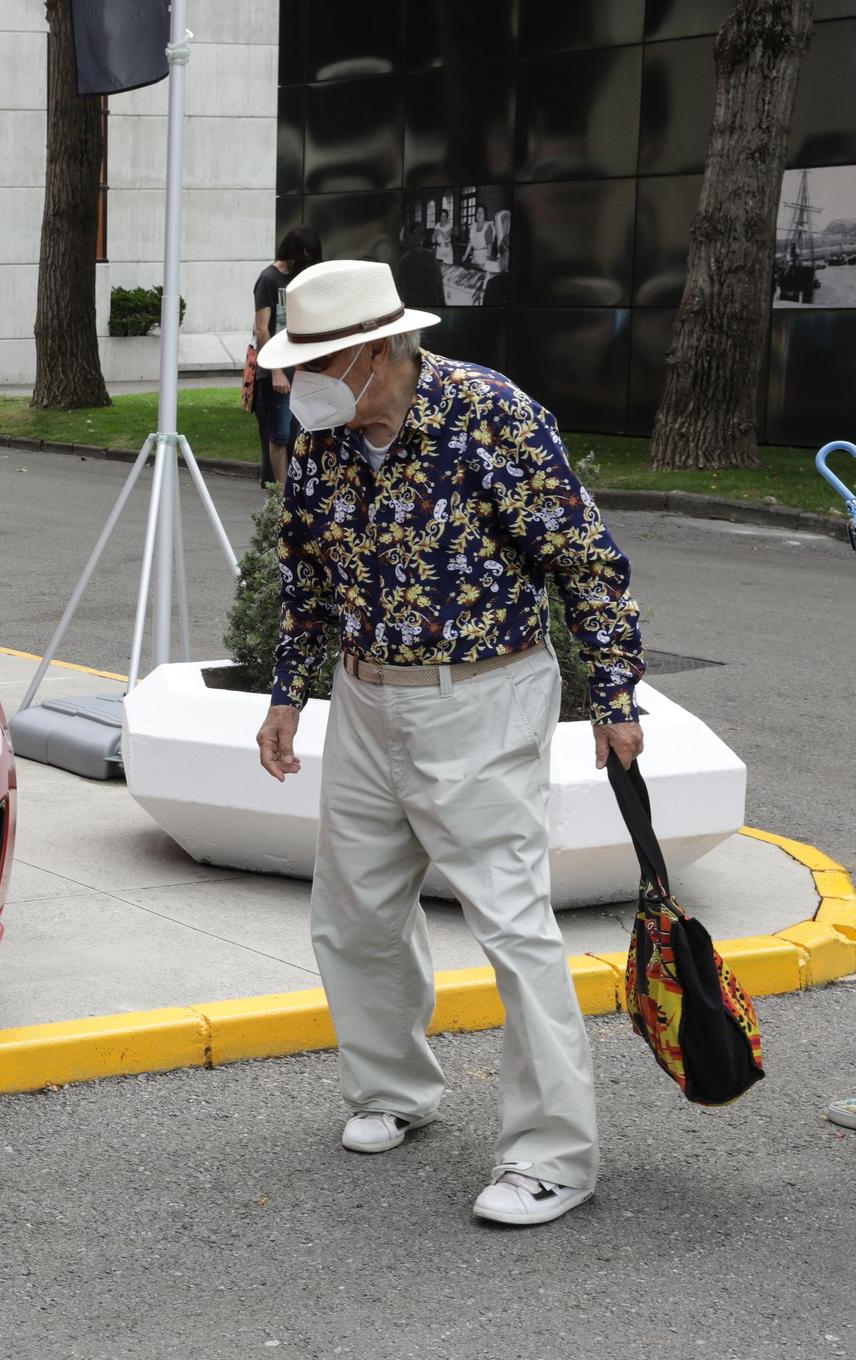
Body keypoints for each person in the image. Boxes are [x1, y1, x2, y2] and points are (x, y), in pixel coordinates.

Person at [254, 259, 645, 1229]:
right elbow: (304, 575)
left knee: (511, 925)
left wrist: (612, 692)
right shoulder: (321, 440)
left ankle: (551, 1157)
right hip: (364, 694)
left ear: (371, 352)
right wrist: (286, 698)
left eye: (307, 360)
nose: (286, 379)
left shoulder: (488, 414)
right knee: (351, 911)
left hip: (480, 696)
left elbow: (585, 561)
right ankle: (392, 1090)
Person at [252, 226, 321, 490]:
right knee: (279, 432)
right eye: (303, 256)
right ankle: (281, 492)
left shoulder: (303, 277)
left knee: (300, 431)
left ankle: (295, 488)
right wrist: (276, 371)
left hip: (302, 365)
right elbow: (261, 327)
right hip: (278, 366)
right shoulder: (269, 279)